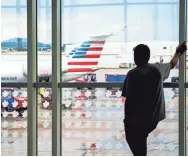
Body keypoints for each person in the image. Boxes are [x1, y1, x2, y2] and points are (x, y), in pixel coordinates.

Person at [121, 42, 187, 156]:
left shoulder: (132, 74)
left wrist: (126, 120)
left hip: (136, 121)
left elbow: (127, 98)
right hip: (152, 118)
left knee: (137, 145)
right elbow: (172, 64)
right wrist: (178, 52)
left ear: (136, 57)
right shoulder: (157, 69)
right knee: (141, 142)